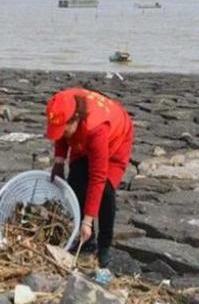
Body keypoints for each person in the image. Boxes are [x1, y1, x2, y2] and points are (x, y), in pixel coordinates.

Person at [45, 88, 134, 268]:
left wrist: (88, 220)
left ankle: (104, 246)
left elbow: (98, 177)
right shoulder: (62, 104)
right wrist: (59, 162)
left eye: (65, 129)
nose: (61, 133)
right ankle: (87, 239)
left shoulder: (96, 129)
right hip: (83, 137)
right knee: (76, 183)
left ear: (76, 118)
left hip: (116, 140)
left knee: (106, 192)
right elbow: (60, 134)